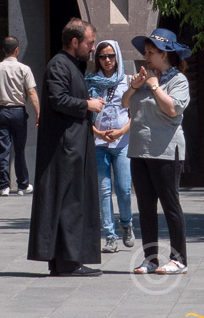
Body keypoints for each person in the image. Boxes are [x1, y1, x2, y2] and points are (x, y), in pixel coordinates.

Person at [27, 18, 103, 277]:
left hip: (72, 144)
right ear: (74, 42)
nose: (92, 48)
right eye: (89, 43)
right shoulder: (59, 65)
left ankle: (64, 261)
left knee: (70, 201)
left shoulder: (70, 65)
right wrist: (87, 105)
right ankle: (69, 262)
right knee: (69, 202)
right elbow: (58, 99)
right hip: (65, 148)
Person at [123, 28, 191, 275]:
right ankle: (150, 259)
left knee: (170, 205)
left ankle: (178, 259)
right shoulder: (144, 78)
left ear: (165, 54)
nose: (146, 56)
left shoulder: (177, 80)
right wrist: (133, 87)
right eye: (145, 52)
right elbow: (124, 103)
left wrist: (154, 87)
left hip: (165, 151)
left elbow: (173, 109)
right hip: (139, 150)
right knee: (145, 206)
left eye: (151, 52)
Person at [86, 40, 133, 253]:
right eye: (103, 56)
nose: (107, 60)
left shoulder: (128, 81)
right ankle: (110, 235)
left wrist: (122, 131)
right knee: (104, 190)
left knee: (123, 188)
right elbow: (85, 115)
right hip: (98, 143)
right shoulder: (90, 82)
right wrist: (97, 133)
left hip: (122, 143)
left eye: (111, 56)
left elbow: (136, 114)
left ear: (118, 57)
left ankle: (127, 224)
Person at [0, 37, 39, 196]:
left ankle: (4, 186)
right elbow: (32, 92)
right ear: (17, 50)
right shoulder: (24, 69)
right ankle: (22, 185)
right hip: (19, 112)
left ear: (3, 50)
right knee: (19, 149)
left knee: (3, 149)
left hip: (1, 112)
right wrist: (38, 113)